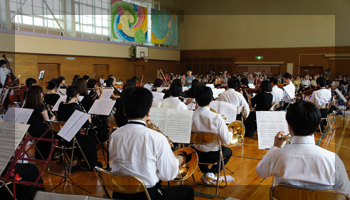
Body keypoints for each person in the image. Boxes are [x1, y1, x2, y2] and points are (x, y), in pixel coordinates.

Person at [109, 87, 194, 200]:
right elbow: (168, 175)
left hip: (119, 194)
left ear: (124, 111)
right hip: (146, 196)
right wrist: (178, 159)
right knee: (188, 191)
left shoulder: (115, 135)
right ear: (149, 111)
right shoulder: (157, 138)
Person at [256, 101, 350, 194]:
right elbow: (346, 193)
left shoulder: (276, 155)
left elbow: (260, 172)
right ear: (317, 125)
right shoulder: (333, 160)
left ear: (289, 127)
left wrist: (275, 147)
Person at [191, 86, 233, 184]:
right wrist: (230, 131)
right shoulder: (217, 118)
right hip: (213, 155)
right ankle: (212, 173)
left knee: (195, 148)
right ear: (211, 100)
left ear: (196, 100)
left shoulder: (190, 116)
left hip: (196, 154)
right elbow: (226, 140)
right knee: (229, 152)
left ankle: (207, 172)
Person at [57, 86, 102, 169]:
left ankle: (78, 160)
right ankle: (92, 164)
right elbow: (86, 125)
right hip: (72, 137)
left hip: (61, 136)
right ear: (77, 95)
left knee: (83, 138)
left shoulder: (61, 105)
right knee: (90, 140)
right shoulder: (75, 107)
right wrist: (88, 119)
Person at [24, 85, 55, 160]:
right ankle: (49, 155)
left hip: (30, 130)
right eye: (41, 92)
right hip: (39, 131)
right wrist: (54, 117)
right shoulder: (41, 106)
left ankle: (40, 155)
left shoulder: (26, 105)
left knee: (46, 130)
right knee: (52, 131)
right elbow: (47, 122)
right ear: (38, 94)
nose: (42, 94)